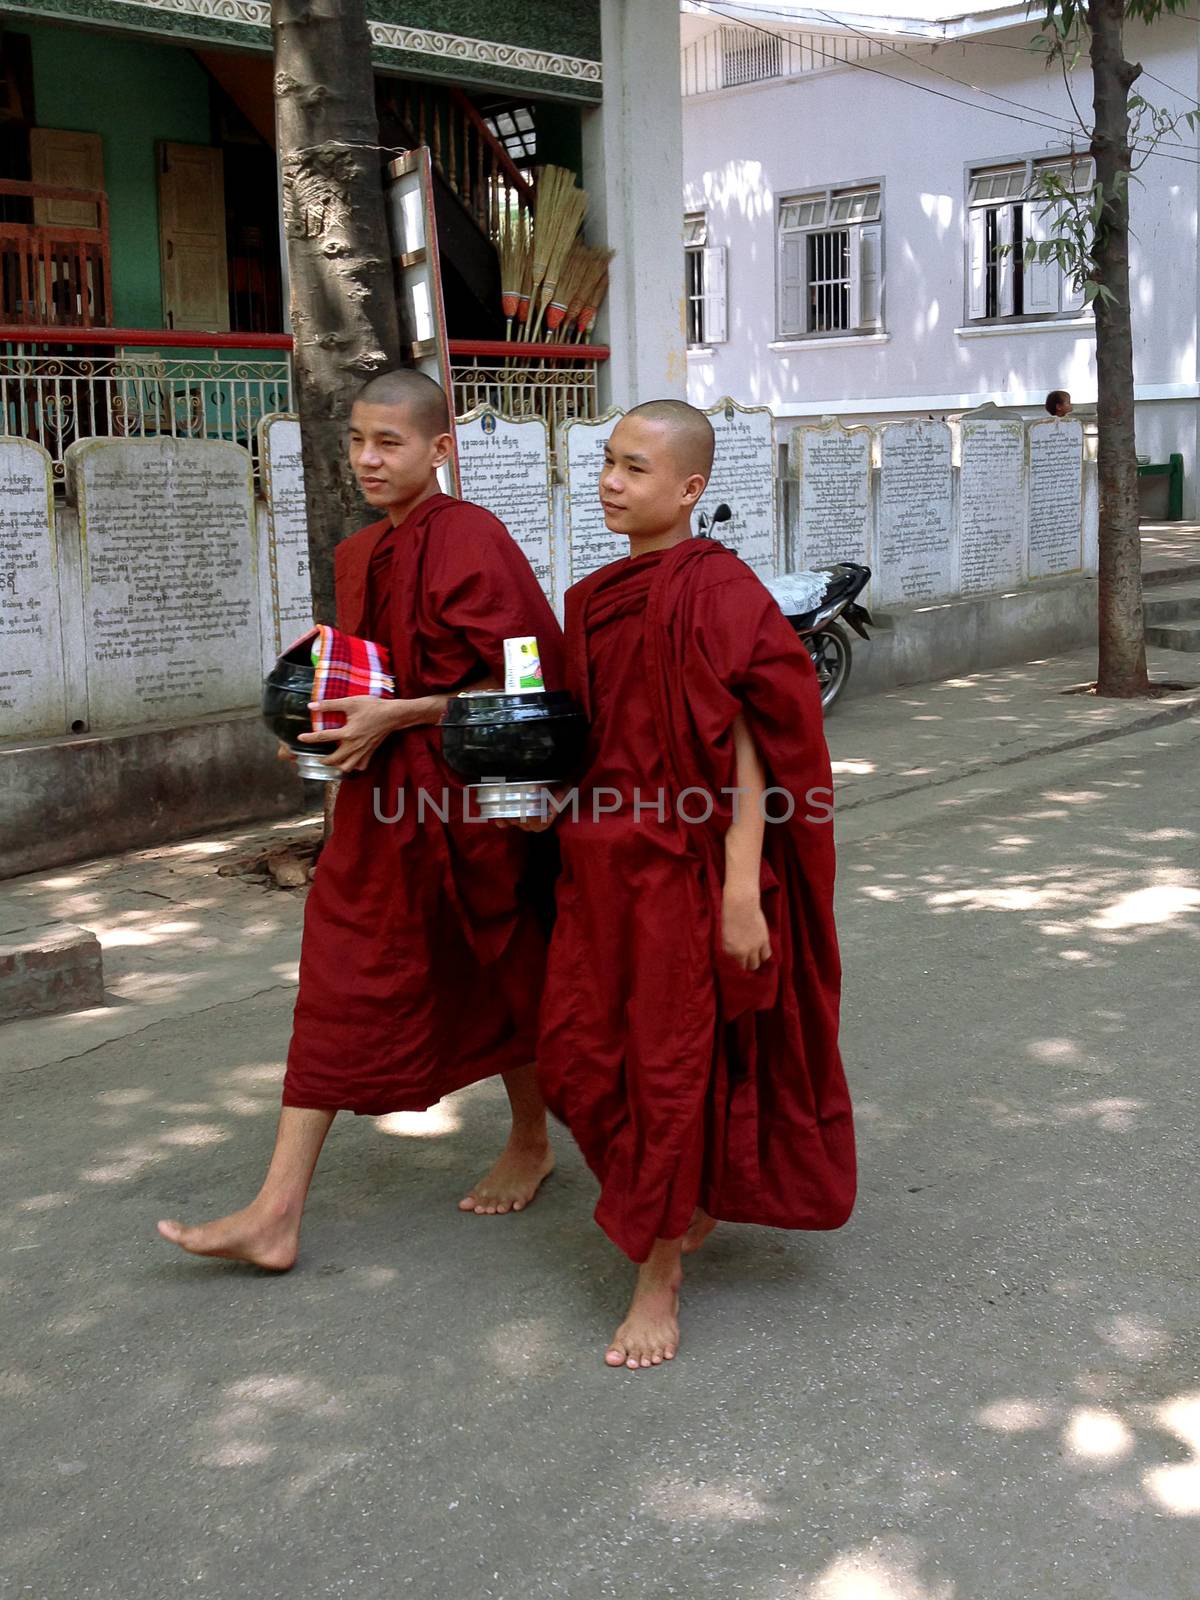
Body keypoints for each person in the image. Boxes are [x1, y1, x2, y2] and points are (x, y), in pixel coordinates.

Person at [158, 370, 564, 1269]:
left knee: (504, 973)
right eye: (357, 442)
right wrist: (322, 732)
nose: (370, 460)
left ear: (439, 449)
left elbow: (527, 677)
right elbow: (366, 679)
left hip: (467, 803)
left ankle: (533, 1140)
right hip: (380, 809)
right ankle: (276, 1209)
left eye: (392, 443)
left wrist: (404, 716)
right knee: (339, 983)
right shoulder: (359, 553)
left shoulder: (472, 540)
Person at [537, 400, 856, 1370]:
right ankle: (687, 1197)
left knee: (664, 1068)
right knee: (576, 1053)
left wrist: (742, 887)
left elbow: (757, 745)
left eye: (636, 468)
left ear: (688, 489)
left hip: (685, 866)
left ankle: (657, 1269)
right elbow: (593, 736)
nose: (612, 482)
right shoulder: (592, 598)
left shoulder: (718, 592)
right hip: (599, 866)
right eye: (607, 463)